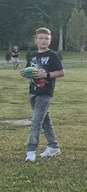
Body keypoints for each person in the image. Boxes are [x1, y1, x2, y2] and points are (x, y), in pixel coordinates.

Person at [20, 27, 64, 162]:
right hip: (33, 92)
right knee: (45, 121)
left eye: (46, 38)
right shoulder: (33, 55)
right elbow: (30, 72)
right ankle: (53, 147)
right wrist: (24, 73)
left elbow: (61, 72)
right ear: (36, 40)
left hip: (45, 93)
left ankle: (31, 150)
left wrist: (46, 75)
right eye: (41, 38)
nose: (43, 40)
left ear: (50, 41)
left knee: (36, 122)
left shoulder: (52, 55)